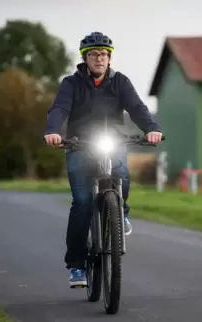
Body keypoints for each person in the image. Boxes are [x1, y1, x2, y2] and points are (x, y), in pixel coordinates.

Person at [43, 31, 163, 287]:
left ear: (110, 58)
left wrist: (151, 128)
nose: (100, 58)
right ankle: (76, 266)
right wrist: (53, 131)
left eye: (104, 54)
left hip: (113, 141)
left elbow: (137, 107)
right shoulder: (71, 83)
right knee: (83, 203)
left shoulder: (120, 82)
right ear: (85, 58)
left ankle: (121, 212)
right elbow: (60, 108)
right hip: (78, 145)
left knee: (121, 174)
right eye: (94, 54)